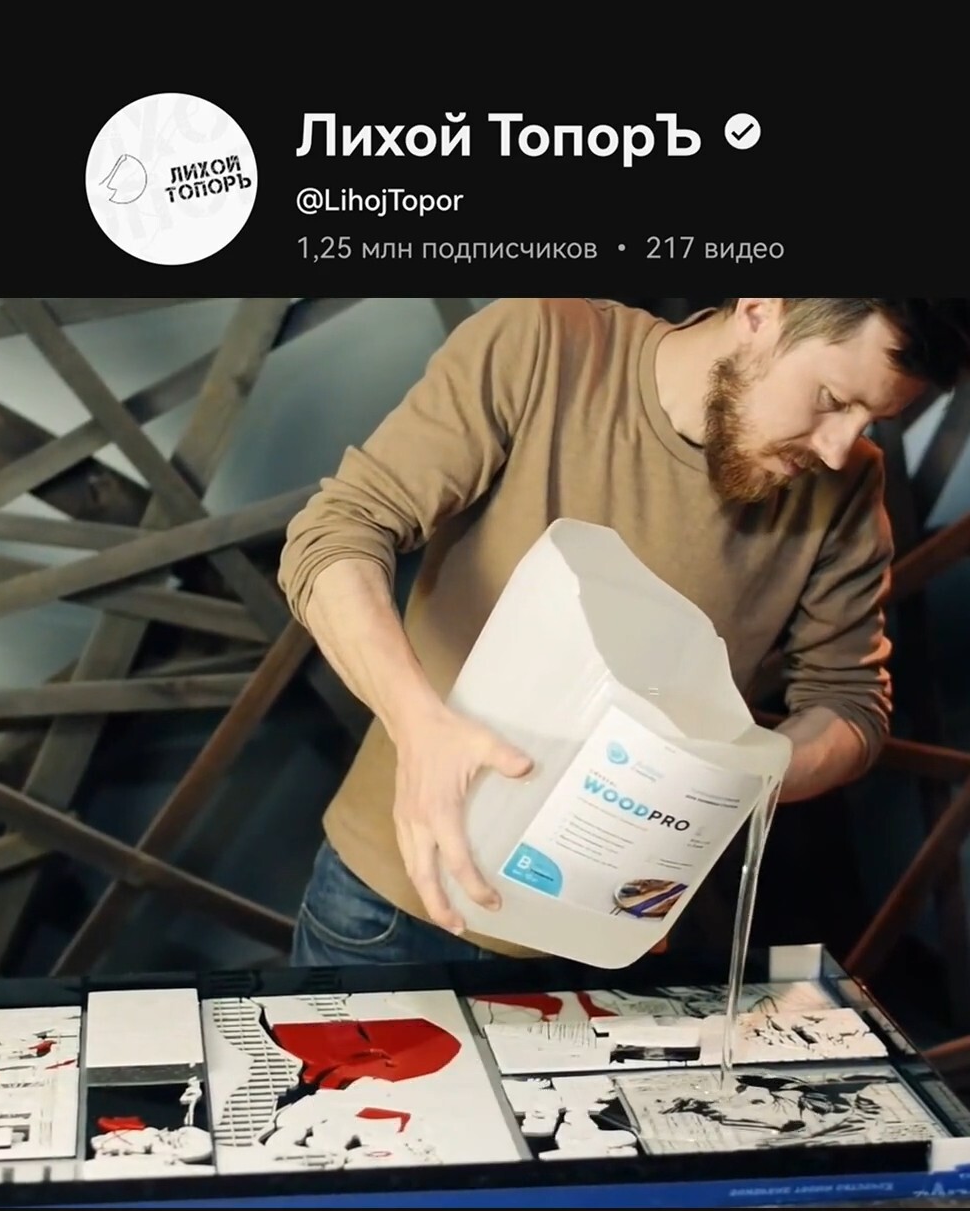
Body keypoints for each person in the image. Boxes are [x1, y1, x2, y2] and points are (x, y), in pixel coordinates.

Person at [277, 296, 970, 970]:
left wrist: (731, 780)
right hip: (393, 908)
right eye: (832, 399)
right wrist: (418, 723)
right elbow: (337, 534)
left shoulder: (848, 487)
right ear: (760, 311)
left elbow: (850, 705)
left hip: (603, 944)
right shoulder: (542, 344)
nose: (838, 448)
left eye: (872, 419)